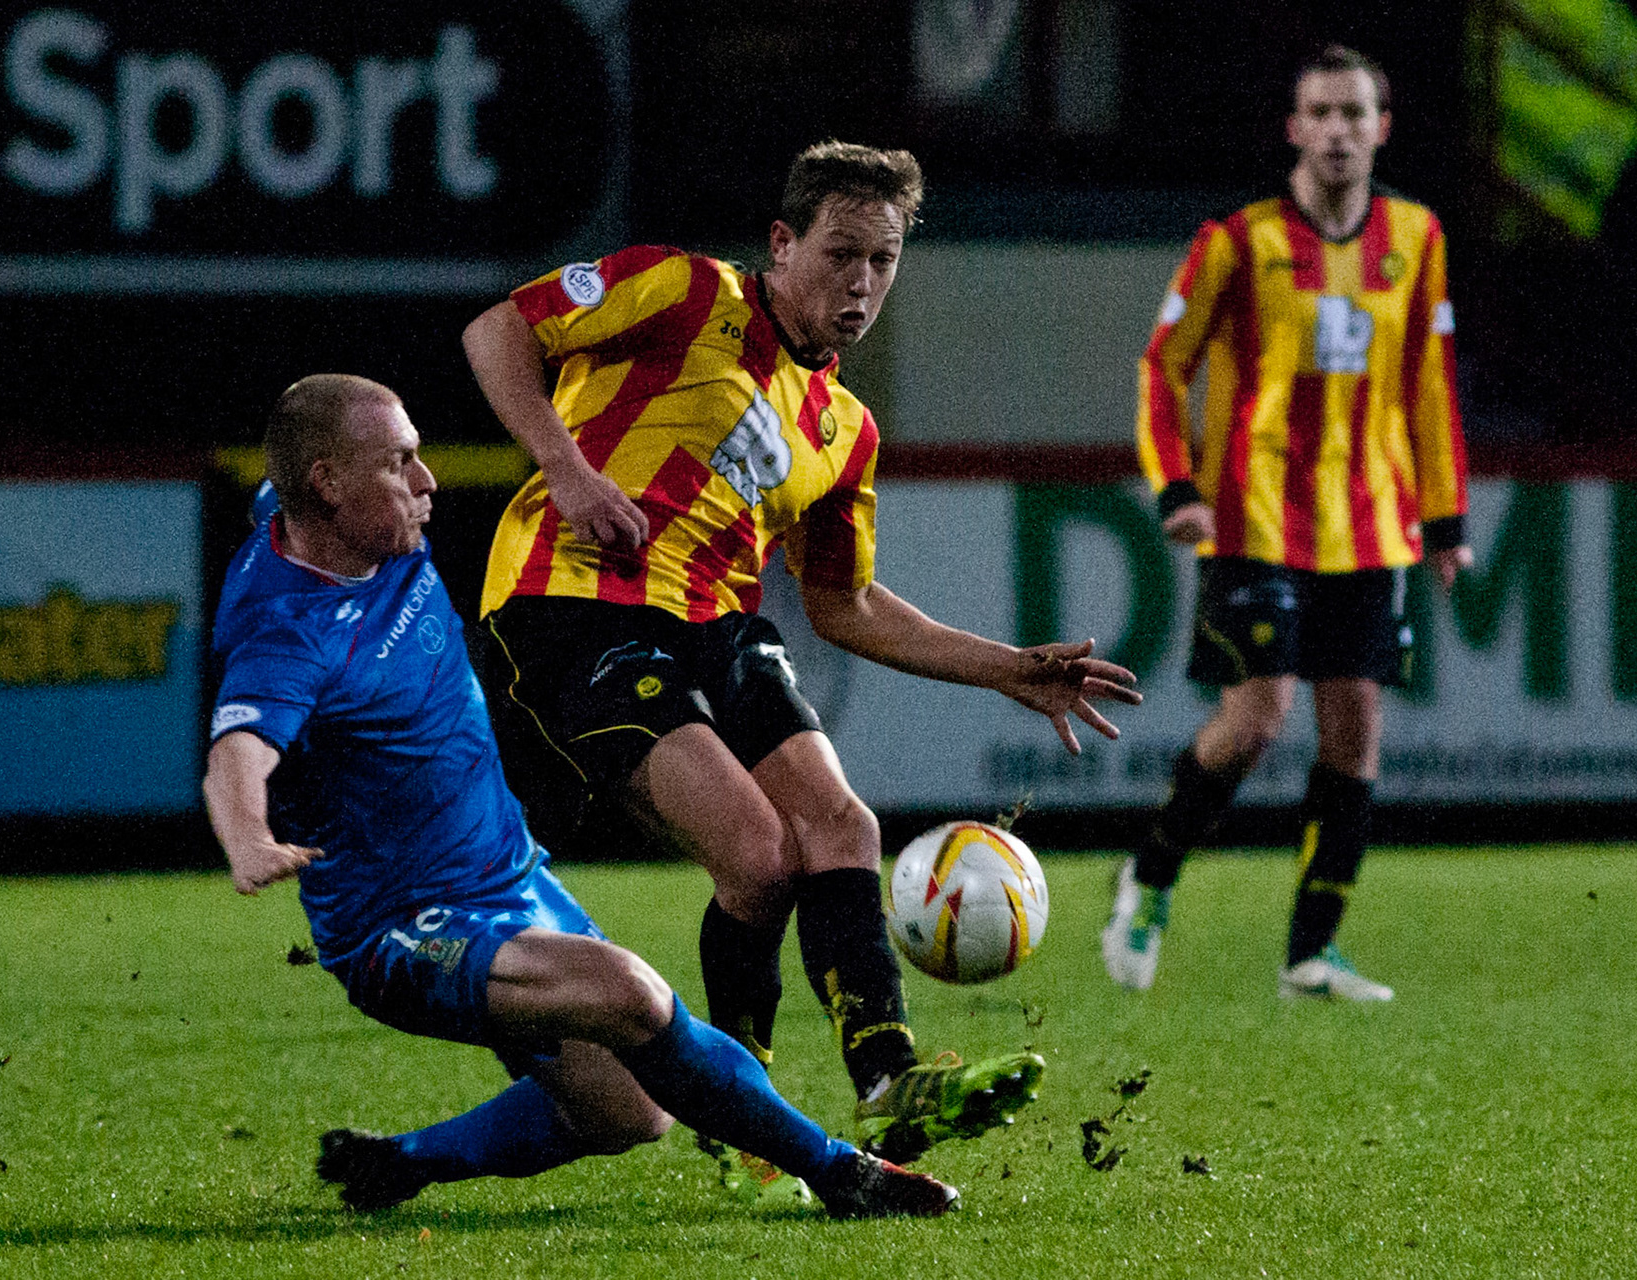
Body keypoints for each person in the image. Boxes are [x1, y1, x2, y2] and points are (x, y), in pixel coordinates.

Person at [461, 140, 1139, 1182]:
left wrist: (1006, 665)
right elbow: (499, 328)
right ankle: (744, 1108)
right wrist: (566, 467)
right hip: (575, 600)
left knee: (842, 826)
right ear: (782, 244)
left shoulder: (845, 430)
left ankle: (887, 1080)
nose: (861, 282)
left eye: (883, 259)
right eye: (840, 254)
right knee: (756, 851)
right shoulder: (684, 292)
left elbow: (843, 603)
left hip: (716, 623)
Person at [202, 373, 959, 1219]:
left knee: (629, 1110)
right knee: (629, 995)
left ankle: (402, 1163)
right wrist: (245, 835)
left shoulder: (333, 520)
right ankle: (844, 1176)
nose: (429, 482)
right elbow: (238, 748)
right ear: (328, 485)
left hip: (506, 877)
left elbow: (298, 454)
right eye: (401, 463)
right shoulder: (288, 633)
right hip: (401, 931)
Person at [1103, 46, 1472, 1000]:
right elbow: (1160, 367)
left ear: (1382, 128)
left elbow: (1427, 386)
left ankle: (1312, 950)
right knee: (1258, 717)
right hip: (1253, 520)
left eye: (1357, 113)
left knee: (1356, 731)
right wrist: (1175, 487)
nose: (1341, 129)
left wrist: (1445, 516)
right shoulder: (1235, 241)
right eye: (1323, 112)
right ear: (1295, 127)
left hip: (1375, 525)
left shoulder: (1417, 235)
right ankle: (1148, 877)